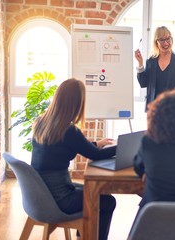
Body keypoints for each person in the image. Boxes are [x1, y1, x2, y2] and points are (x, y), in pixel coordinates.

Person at [31, 78, 116, 240]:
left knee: (99, 191)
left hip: (43, 194)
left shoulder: (42, 122)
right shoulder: (68, 131)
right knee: (108, 201)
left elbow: (73, 146)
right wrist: (122, 147)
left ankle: (82, 236)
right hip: (60, 199)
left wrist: (97, 143)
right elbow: (95, 155)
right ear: (76, 104)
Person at [134, 26, 175, 111]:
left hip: (173, 109)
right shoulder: (151, 61)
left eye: (168, 39)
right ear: (156, 42)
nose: (165, 43)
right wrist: (140, 63)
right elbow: (143, 83)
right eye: (161, 40)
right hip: (154, 109)